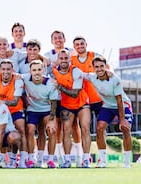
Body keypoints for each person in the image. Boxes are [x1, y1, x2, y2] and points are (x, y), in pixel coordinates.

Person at [83, 56, 133, 168]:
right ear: (93, 68)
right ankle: (103, 161)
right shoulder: (92, 77)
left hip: (123, 105)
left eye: (102, 66)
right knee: (99, 128)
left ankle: (126, 162)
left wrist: (122, 120)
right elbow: (80, 73)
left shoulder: (115, 79)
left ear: (106, 66)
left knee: (125, 129)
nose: (99, 69)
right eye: (96, 67)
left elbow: (119, 100)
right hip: (108, 106)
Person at [44, 30, 82, 167]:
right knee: (58, 127)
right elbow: (45, 72)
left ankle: (80, 156)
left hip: (71, 96)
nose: (58, 40)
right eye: (55, 38)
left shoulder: (72, 52)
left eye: (60, 38)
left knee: (74, 126)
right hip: (56, 97)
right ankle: (60, 158)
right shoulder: (47, 55)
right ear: (51, 41)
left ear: (65, 39)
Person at [52, 49, 91, 168]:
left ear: (70, 59)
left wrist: (60, 87)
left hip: (81, 103)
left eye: (66, 58)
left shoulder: (76, 71)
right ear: (58, 60)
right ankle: (67, 160)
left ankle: (85, 159)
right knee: (66, 130)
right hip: (66, 105)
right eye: (61, 58)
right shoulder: (54, 71)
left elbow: (75, 93)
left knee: (85, 128)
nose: (63, 61)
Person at [0, 59, 27, 168]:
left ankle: (22, 160)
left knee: (21, 131)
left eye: (8, 69)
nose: (6, 71)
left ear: (12, 70)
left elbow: (14, 102)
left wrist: (0, 102)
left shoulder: (18, 80)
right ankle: (1, 158)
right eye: (3, 69)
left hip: (15, 110)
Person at [21, 60, 59, 168]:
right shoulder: (25, 78)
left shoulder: (51, 83)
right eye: (34, 70)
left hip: (47, 109)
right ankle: (31, 159)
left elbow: (53, 103)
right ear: (30, 71)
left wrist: (52, 120)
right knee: (30, 130)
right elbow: (15, 75)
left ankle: (49, 160)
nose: (37, 72)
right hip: (32, 109)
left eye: (39, 69)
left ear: (43, 70)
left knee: (51, 131)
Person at [71, 36, 103, 117]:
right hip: (82, 99)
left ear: (86, 44)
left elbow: (107, 67)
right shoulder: (71, 60)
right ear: (74, 47)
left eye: (82, 43)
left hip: (97, 97)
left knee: (101, 126)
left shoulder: (94, 55)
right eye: (77, 44)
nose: (80, 46)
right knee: (85, 127)